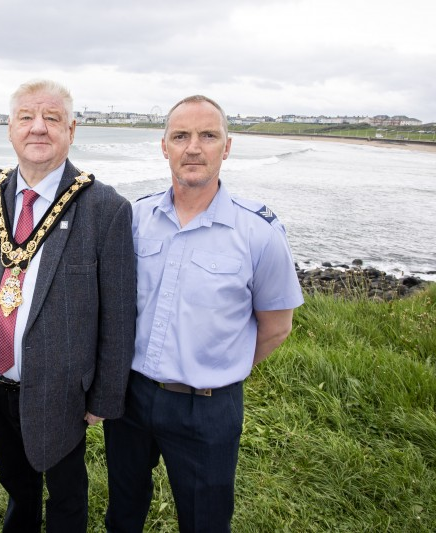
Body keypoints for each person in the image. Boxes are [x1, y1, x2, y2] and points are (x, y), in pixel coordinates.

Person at [104, 95, 305, 532]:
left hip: (208, 408)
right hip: (131, 399)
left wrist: (218, 368)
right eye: (181, 136)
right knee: (122, 511)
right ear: (164, 147)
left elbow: (276, 326)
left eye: (207, 135)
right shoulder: (134, 218)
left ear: (226, 147)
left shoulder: (259, 233)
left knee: (205, 522)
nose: (193, 147)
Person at [0, 79, 136, 532]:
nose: (38, 128)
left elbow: (118, 314)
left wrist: (104, 398)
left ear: (71, 130)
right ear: (10, 129)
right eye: (26, 118)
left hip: (61, 391)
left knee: (66, 494)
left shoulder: (105, 207)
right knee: (17, 485)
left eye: (52, 118)